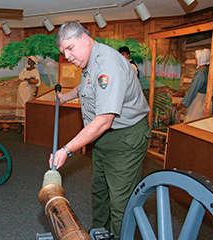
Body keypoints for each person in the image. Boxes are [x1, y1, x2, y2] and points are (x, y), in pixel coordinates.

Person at [50, 21, 151, 240]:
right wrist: (66, 97)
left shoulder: (109, 65)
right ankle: (99, 233)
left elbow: (105, 120)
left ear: (85, 39)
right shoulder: (89, 60)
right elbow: (87, 85)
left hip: (126, 138)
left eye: (70, 48)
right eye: (63, 51)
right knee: (99, 191)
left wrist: (66, 150)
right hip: (104, 138)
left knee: (120, 201)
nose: (67, 56)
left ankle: (117, 236)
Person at [177, 48, 211, 122]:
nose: (195, 60)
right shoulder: (208, 71)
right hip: (205, 100)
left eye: (197, 59)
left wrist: (182, 102)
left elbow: (193, 89)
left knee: (192, 121)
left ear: (201, 59)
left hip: (199, 101)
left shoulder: (201, 73)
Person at [15, 56, 41, 120]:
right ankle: (20, 124)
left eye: (30, 59)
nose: (28, 61)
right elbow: (20, 77)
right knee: (20, 104)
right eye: (28, 59)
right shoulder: (25, 69)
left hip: (28, 88)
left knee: (26, 103)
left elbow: (38, 82)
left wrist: (36, 92)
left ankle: (25, 122)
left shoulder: (35, 71)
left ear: (33, 62)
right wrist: (27, 78)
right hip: (22, 87)